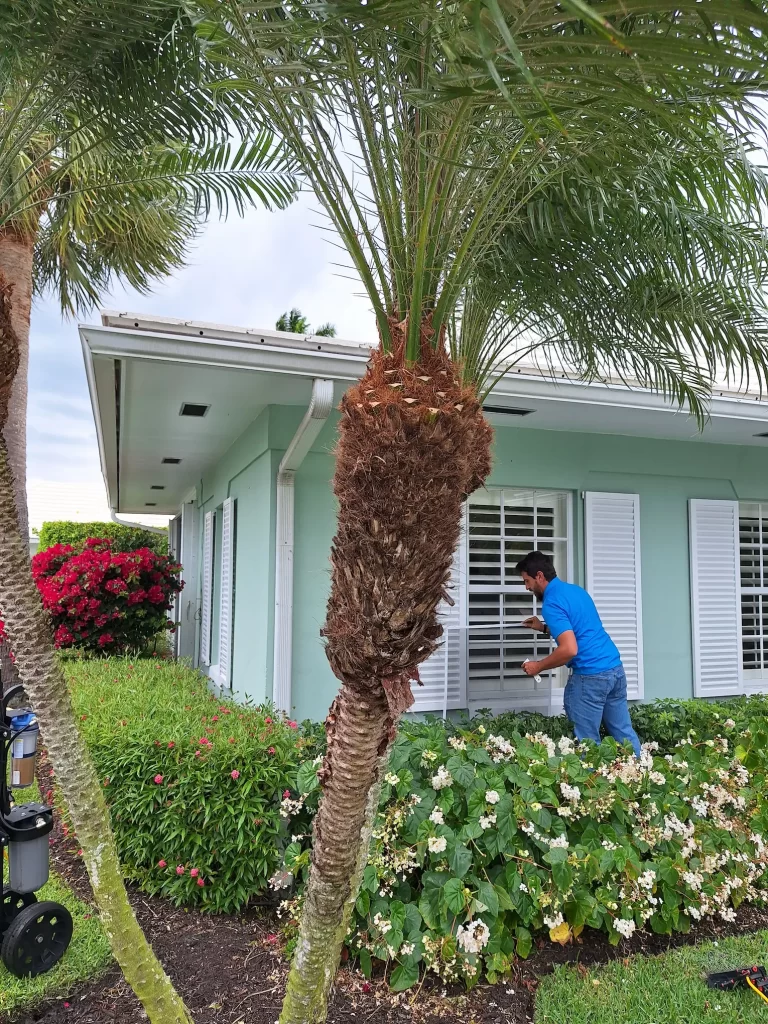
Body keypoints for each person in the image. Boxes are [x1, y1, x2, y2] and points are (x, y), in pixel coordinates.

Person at [517, 550, 641, 756]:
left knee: (587, 743)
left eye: (527, 580)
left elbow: (569, 649)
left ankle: (593, 787)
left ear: (539, 575)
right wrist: (544, 628)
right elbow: (580, 630)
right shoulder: (575, 591)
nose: (527, 587)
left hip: (590, 677)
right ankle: (641, 778)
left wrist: (538, 666)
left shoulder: (551, 603)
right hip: (614, 669)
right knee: (623, 733)